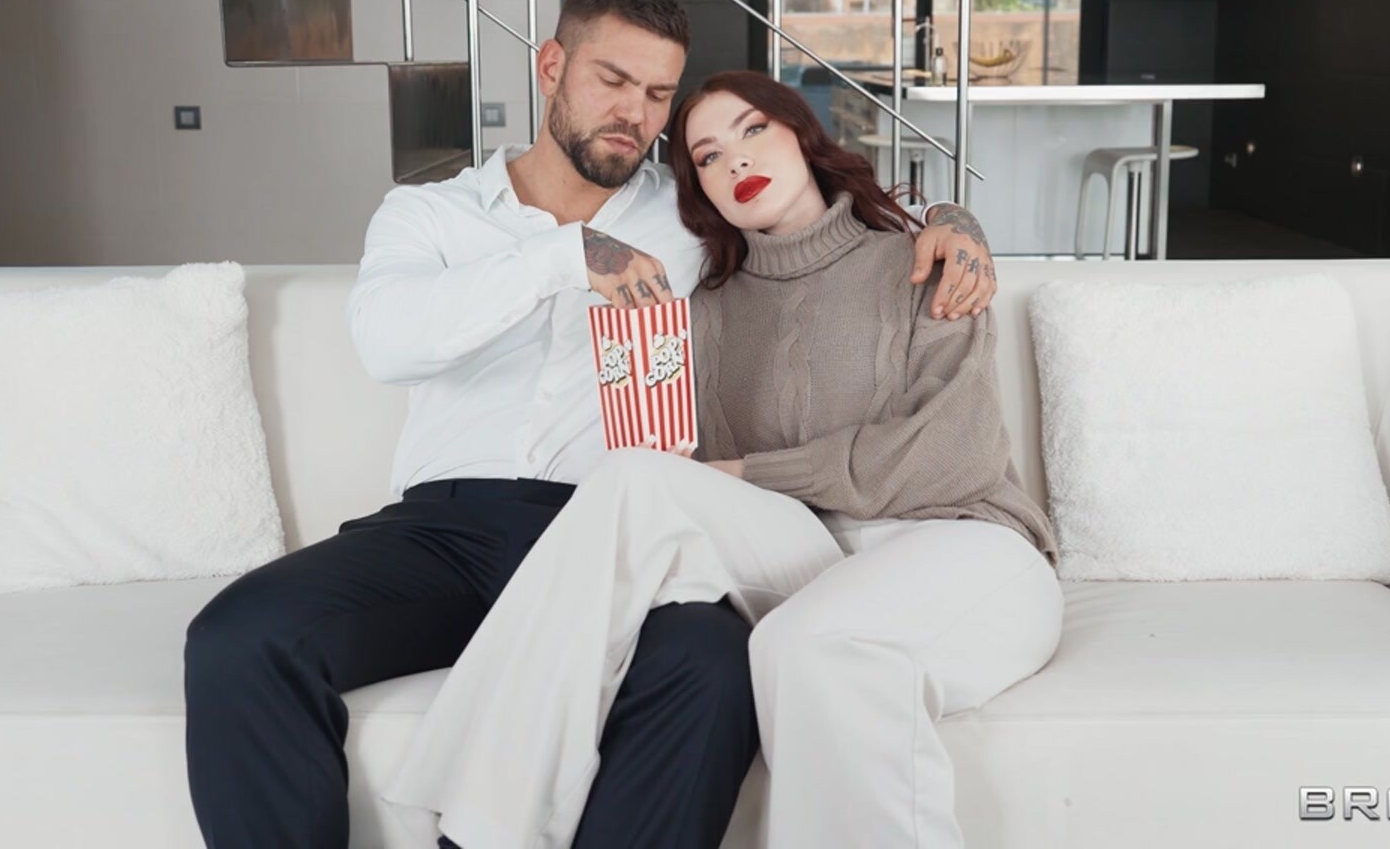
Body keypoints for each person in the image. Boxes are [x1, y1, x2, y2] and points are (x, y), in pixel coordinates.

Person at [183, 0, 1000, 849]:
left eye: (656, 94)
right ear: (551, 67)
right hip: (442, 531)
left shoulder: (692, 216)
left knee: (711, 667)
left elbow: (811, 219)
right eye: (612, 80)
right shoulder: (430, 215)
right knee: (238, 639)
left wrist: (954, 221)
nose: (633, 113)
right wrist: (563, 259)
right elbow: (389, 344)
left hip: (630, 540)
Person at [381, 68, 1061, 849]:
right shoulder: (700, 312)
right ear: (698, 188)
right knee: (633, 478)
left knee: (803, 648)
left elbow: (955, 456)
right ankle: (485, 826)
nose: (734, 159)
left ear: (802, 135)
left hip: (964, 545)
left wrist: (744, 475)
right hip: (814, 555)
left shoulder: (924, 261)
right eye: (706, 156)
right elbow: (671, 480)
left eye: (753, 130)